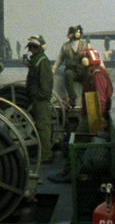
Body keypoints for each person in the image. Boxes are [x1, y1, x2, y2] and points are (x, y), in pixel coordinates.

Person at [23, 35, 54, 163]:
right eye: (31, 47)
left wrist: (39, 96)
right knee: (41, 126)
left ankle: (46, 155)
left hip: (40, 100)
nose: (32, 49)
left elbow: (46, 83)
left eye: (34, 47)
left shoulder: (42, 61)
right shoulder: (36, 59)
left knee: (43, 126)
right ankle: (43, 153)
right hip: (36, 98)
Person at [57, 24, 91, 132]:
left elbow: (93, 56)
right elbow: (59, 59)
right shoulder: (65, 46)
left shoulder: (86, 45)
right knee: (68, 74)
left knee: (89, 79)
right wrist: (53, 69)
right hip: (72, 71)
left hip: (82, 70)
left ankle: (89, 99)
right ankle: (73, 98)